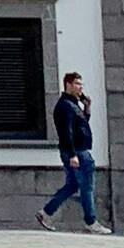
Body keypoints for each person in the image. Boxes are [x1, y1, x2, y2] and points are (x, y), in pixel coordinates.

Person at [39, 70, 100, 230]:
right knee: (87, 186)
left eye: (81, 84)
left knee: (72, 186)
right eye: (77, 84)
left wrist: (87, 108)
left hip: (74, 151)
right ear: (68, 85)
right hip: (78, 152)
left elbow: (81, 125)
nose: (81, 88)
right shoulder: (66, 106)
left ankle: (46, 212)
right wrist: (73, 155)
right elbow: (67, 132)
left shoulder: (73, 104)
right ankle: (91, 222)